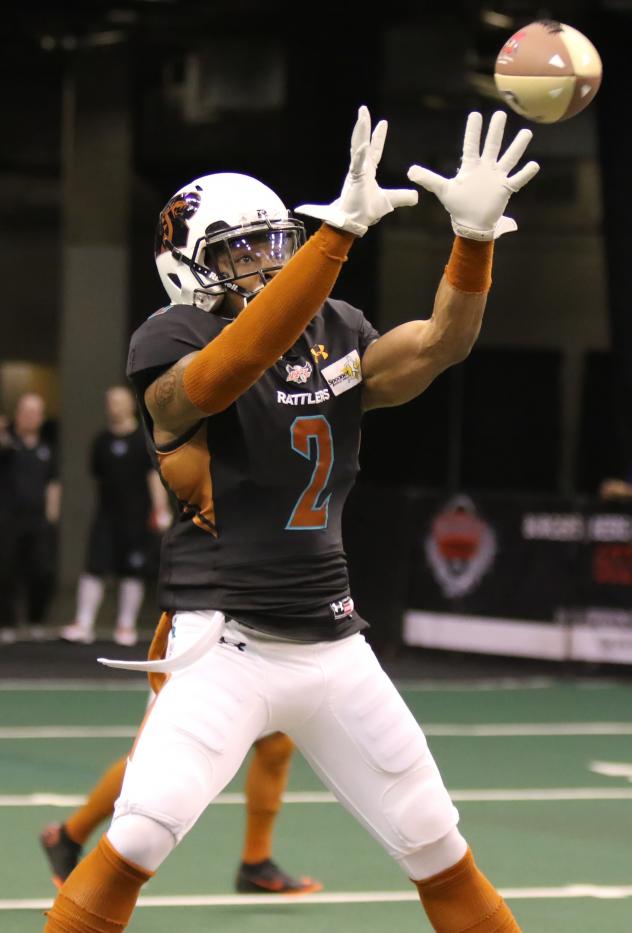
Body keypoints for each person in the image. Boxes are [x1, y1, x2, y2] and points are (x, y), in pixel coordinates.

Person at [43, 105, 539, 933]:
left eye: (276, 243)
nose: (267, 262)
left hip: (333, 640)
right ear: (186, 269)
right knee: (139, 831)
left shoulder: (332, 327)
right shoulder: (171, 342)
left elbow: (437, 345)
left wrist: (472, 242)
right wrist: (332, 241)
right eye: (242, 250)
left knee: (436, 841)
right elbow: (233, 368)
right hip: (221, 640)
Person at [40, 731, 321, 895]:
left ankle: (256, 863)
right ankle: (68, 836)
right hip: (200, 646)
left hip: (250, 646)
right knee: (163, 753)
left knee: (277, 743)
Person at [60, 385, 172, 646]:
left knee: (131, 571)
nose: (114, 407)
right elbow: (98, 480)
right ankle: (83, 624)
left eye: (119, 402)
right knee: (94, 567)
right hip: (106, 517)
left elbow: (152, 476)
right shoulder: (101, 442)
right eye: (110, 402)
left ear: (130, 405)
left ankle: (125, 626)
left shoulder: (143, 439)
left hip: (136, 517)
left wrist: (160, 508)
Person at [0, 392, 60, 642]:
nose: (30, 416)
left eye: (35, 412)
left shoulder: (47, 449)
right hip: (8, 519)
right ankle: (6, 623)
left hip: (37, 521)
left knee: (42, 570)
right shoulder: (8, 444)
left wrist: (52, 514)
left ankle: (36, 620)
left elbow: (53, 483)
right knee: (6, 571)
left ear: (42, 417)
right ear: (17, 414)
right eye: (25, 411)